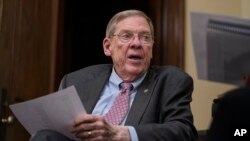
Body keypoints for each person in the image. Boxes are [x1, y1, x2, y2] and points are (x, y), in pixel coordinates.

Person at [30, 9, 197, 141]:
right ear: (107, 46)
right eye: (126, 36)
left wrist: (122, 134)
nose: (137, 43)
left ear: (152, 47)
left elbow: (183, 131)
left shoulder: (170, 81)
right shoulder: (76, 81)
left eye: (145, 37)